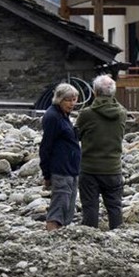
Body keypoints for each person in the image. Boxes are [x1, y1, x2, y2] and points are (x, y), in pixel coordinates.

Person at [75, 73, 127, 230]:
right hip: (113, 169)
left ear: (94, 92)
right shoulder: (122, 113)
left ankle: (90, 243)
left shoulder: (86, 114)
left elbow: (77, 134)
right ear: (113, 93)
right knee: (115, 208)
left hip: (90, 169)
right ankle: (119, 240)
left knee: (90, 208)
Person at [38, 83, 81, 230]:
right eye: (68, 100)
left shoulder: (63, 115)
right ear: (59, 99)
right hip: (61, 169)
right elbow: (45, 146)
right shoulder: (53, 117)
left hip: (71, 168)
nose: (72, 103)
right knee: (59, 206)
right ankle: (52, 237)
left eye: (74, 100)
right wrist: (46, 173)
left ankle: (61, 237)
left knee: (68, 206)